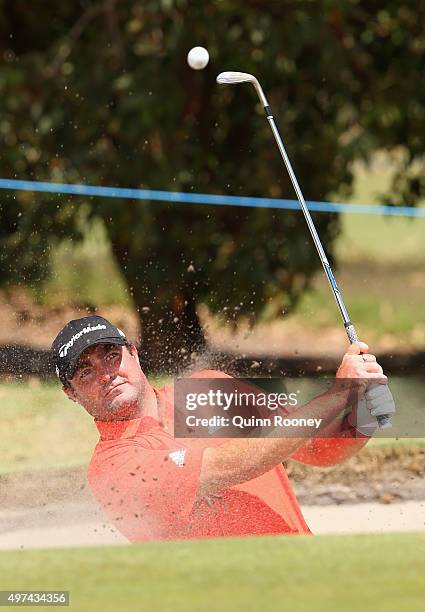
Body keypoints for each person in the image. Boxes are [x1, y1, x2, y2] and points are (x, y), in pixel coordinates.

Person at [51, 315, 395, 542]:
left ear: (134, 354)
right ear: (71, 393)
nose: (106, 374)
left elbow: (319, 447)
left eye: (111, 356)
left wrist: (364, 416)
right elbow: (233, 463)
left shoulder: (208, 389)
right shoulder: (113, 466)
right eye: (85, 372)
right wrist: (336, 396)